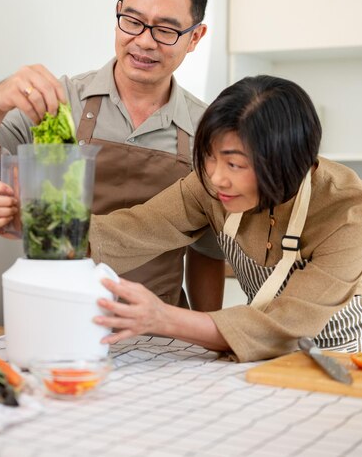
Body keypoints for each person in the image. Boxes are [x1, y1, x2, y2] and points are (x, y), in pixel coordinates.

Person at [0, 0, 223, 310]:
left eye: (166, 30)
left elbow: (206, 252)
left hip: (159, 330)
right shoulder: (60, 102)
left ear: (195, 37)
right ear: (118, 12)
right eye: (132, 21)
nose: (144, 41)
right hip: (55, 313)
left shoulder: (207, 131)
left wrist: (204, 341)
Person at [84, 75, 362, 362]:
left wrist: (164, 318)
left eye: (235, 164)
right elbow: (137, 229)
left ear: (286, 161)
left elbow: (284, 327)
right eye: (209, 157)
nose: (217, 178)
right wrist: (49, 240)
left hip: (337, 359)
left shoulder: (347, 213)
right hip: (255, 354)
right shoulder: (209, 185)